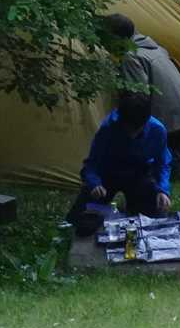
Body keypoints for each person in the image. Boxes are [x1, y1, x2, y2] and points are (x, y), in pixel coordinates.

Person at [103, 14, 180, 177]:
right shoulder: (157, 48)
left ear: (117, 39)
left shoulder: (131, 58)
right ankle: (179, 156)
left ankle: (172, 163)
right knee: (173, 144)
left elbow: (137, 96)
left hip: (167, 122)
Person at [65, 93, 172, 233]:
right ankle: (106, 212)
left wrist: (162, 190)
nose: (131, 134)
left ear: (146, 122)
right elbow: (92, 164)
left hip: (139, 174)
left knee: (156, 218)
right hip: (109, 174)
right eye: (127, 128)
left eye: (137, 129)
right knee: (82, 220)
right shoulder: (108, 128)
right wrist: (94, 183)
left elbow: (162, 163)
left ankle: (132, 207)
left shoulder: (157, 130)